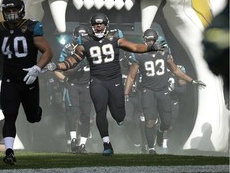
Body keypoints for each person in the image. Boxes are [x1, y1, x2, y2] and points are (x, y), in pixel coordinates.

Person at [46, 13, 160, 156]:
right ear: (92, 27)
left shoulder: (115, 37)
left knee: (119, 115)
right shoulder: (85, 41)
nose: (98, 26)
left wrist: (149, 48)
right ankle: (107, 144)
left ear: (106, 25)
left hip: (114, 80)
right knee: (100, 111)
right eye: (95, 24)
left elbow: (135, 47)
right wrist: (56, 66)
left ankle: (118, 119)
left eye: (101, 24)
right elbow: (72, 61)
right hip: (97, 80)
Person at [0, 0, 53, 165]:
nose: (11, 13)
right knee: (10, 115)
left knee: (32, 117)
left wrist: (37, 68)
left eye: (14, 9)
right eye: (8, 10)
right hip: (10, 79)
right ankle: (9, 152)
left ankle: (36, 111)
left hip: (28, 77)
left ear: (21, 10)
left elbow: (48, 52)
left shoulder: (31, 27)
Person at [124, 28, 206, 154]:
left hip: (163, 90)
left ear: (156, 40)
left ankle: (160, 132)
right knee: (149, 120)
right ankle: (151, 148)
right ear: (144, 41)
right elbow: (131, 76)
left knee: (167, 122)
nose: (150, 42)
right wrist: (126, 93)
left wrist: (192, 81)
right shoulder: (138, 55)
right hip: (148, 91)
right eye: (148, 40)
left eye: (152, 40)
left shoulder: (164, 52)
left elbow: (176, 70)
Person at [54, 25, 93, 153]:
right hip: (72, 84)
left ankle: (83, 144)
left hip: (88, 84)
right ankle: (72, 139)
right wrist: (65, 79)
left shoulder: (94, 48)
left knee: (86, 115)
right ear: (75, 36)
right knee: (72, 112)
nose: (82, 38)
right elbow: (58, 69)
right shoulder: (69, 48)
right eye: (79, 36)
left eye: (84, 36)